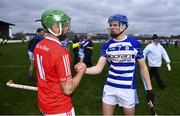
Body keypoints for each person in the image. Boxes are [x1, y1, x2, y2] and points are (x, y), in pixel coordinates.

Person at [81, 14, 155, 115]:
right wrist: (83, 70)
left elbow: (143, 68)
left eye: (115, 25)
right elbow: (98, 68)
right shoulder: (107, 46)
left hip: (127, 90)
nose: (112, 27)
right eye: (110, 25)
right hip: (109, 88)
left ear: (124, 26)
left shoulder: (134, 44)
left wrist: (149, 89)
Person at [34, 10, 86, 115]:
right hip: (59, 107)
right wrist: (82, 70)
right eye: (66, 25)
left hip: (44, 103)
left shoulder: (39, 45)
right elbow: (68, 89)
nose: (68, 28)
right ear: (55, 27)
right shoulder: (60, 52)